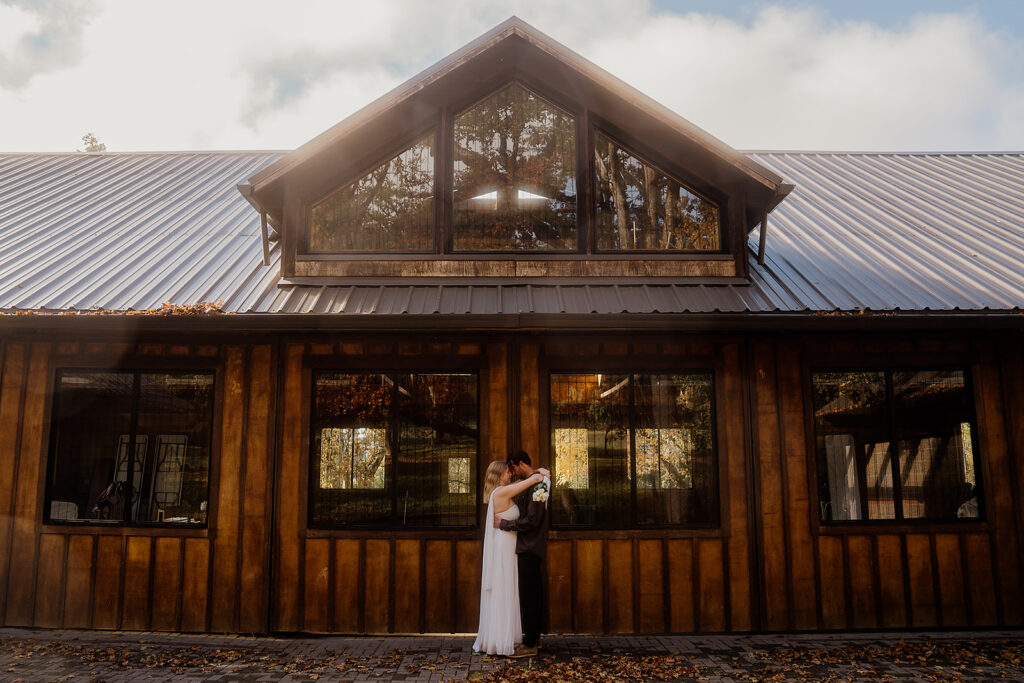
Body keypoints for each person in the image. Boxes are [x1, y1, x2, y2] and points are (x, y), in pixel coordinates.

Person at [473, 460, 549, 656]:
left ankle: (510, 635)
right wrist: (540, 473)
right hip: (505, 545)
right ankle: (501, 638)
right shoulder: (500, 492)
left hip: (509, 544)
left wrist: (536, 472)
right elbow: (530, 481)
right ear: (499, 475)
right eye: (508, 472)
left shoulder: (501, 491)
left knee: (510, 588)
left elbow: (523, 483)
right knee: (504, 588)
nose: (511, 475)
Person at [496, 450, 550, 658]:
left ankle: (530, 644)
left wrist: (504, 524)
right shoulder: (533, 482)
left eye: (512, 468)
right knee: (530, 595)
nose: (512, 472)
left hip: (530, 547)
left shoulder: (538, 486)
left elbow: (532, 520)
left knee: (530, 597)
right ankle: (533, 638)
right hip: (527, 547)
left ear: (520, 464)